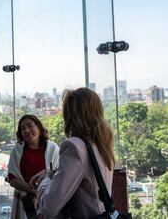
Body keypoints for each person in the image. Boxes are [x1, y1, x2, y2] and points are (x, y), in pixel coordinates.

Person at [30, 87, 115, 218]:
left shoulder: (75, 146)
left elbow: (48, 207)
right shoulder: (102, 145)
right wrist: (52, 173)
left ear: (70, 115)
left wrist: (45, 180)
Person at [7, 114, 59, 219]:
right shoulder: (16, 151)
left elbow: (59, 176)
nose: (27, 130)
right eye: (23, 129)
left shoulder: (53, 148)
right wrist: (32, 190)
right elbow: (12, 179)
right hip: (24, 203)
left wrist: (39, 194)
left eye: (30, 126)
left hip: (48, 201)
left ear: (38, 127)